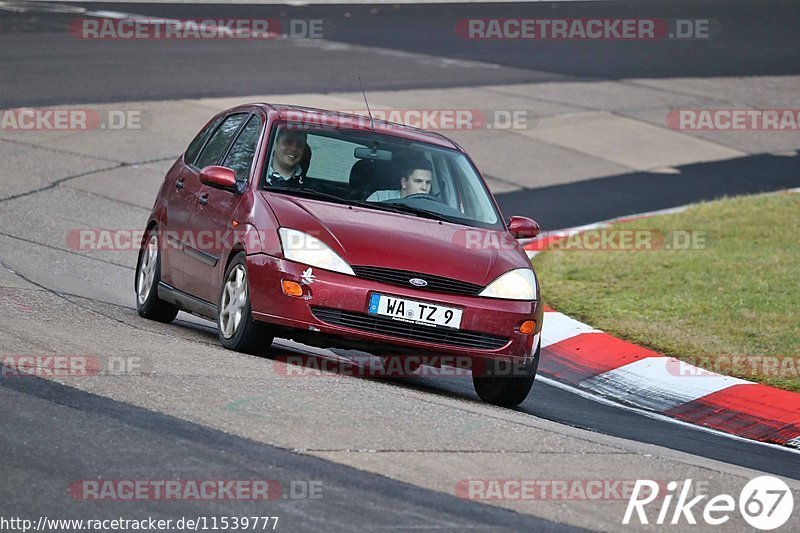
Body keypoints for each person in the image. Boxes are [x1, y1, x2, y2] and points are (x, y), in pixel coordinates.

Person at [367, 158, 433, 202]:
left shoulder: (434, 209)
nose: (424, 188)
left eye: (428, 182)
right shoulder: (380, 198)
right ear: (404, 182)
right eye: (418, 181)